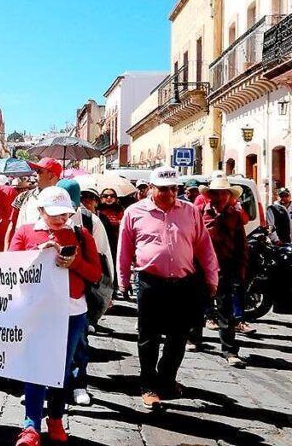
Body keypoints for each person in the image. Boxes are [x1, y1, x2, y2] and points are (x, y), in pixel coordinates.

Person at [118, 166, 219, 409]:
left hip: (184, 284)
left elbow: (204, 246)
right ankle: (148, 384)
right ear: (151, 189)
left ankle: (166, 378)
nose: (170, 194)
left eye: (174, 189)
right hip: (151, 282)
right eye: (164, 189)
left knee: (179, 336)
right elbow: (124, 249)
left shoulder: (190, 211)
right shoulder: (134, 212)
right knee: (148, 337)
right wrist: (122, 280)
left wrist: (212, 278)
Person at [10, 186, 102, 446]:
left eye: (65, 214)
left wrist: (75, 264)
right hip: (37, 310)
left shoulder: (80, 234)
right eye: (54, 214)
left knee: (62, 368)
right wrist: (39, 253)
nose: (61, 220)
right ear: (40, 211)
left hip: (72, 311)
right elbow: (8, 269)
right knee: (37, 365)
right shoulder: (25, 232)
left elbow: (95, 274)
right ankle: (30, 424)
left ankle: (56, 418)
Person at [57, 179, 113, 407]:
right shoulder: (41, 222)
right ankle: (45, 384)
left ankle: (79, 384)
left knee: (79, 341)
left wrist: (108, 294)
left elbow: (104, 257)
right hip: (50, 296)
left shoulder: (91, 222)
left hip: (80, 295)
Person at [187, 173, 247, 368]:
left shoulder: (234, 215)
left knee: (225, 309)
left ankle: (229, 350)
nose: (220, 197)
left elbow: (241, 243)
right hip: (200, 265)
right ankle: (194, 339)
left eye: (224, 193)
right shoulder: (198, 212)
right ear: (209, 195)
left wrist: (241, 268)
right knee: (196, 305)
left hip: (226, 266)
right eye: (216, 193)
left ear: (229, 196)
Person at [6, 158, 62, 247]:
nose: (35, 174)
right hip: (24, 253)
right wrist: (7, 252)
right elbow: (12, 227)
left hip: (53, 255)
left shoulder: (63, 201)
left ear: (51, 176)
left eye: (39, 171)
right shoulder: (23, 197)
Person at [96, 186, 125, 289]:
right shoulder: (98, 211)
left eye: (112, 196)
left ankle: (115, 286)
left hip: (116, 243)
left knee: (114, 265)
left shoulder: (120, 210)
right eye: (105, 196)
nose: (109, 198)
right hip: (101, 241)